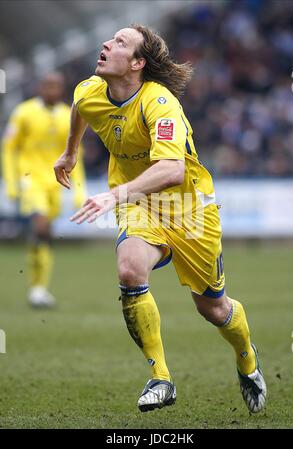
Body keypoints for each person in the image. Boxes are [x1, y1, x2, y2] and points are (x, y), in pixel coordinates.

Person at [54, 24, 267, 413]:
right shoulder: (89, 89)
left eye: (119, 42)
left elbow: (172, 170)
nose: (105, 43)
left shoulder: (160, 102)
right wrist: (70, 152)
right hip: (139, 202)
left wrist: (112, 194)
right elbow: (80, 107)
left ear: (137, 63)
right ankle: (161, 378)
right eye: (110, 38)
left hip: (189, 210)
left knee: (214, 309)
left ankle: (247, 359)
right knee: (130, 269)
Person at [2, 72, 86, 308]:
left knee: (45, 234)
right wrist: (11, 182)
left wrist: (79, 189)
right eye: (47, 85)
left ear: (61, 89)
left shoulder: (67, 115)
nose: (51, 90)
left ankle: (38, 287)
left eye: (56, 86)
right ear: (40, 87)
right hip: (30, 180)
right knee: (40, 226)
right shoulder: (24, 112)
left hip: (55, 184)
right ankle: (37, 290)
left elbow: (73, 155)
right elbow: (8, 149)